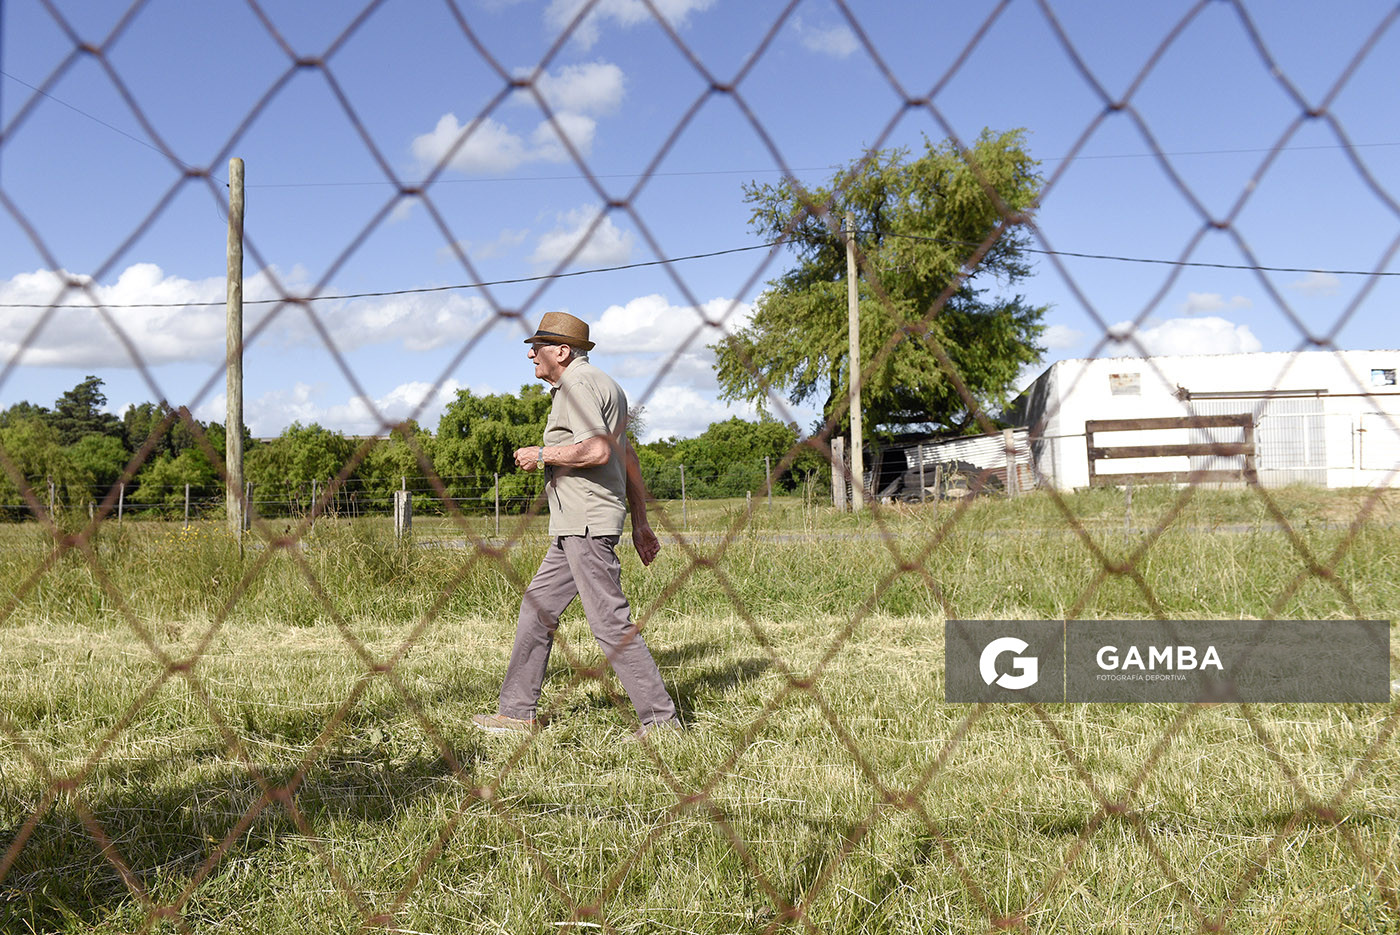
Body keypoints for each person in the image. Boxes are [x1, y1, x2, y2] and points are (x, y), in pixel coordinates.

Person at [473, 311, 681, 739]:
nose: (531, 353)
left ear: (562, 352)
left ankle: (661, 722)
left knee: (609, 623)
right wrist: (640, 522)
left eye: (538, 347)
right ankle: (516, 714)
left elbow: (599, 451)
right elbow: (630, 458)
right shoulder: (609, 386)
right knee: (537, 610)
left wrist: (542, 455)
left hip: (585, 523)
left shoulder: (577, 384)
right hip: (575, 524)